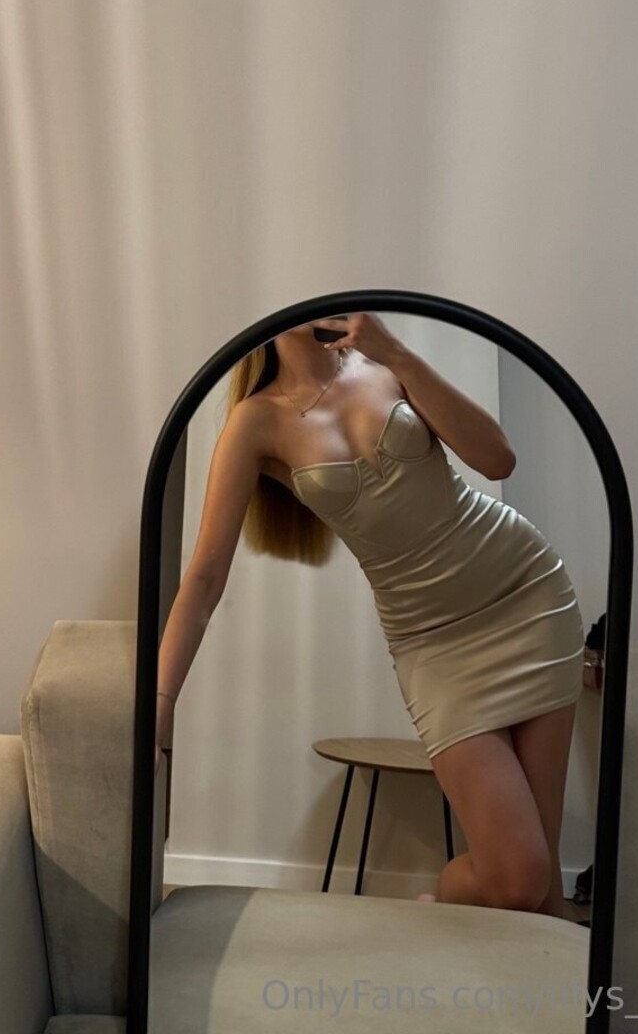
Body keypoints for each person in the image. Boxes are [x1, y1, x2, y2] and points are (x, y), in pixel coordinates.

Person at [155, 311, 586, 919]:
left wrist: (398, 353)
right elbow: (203, 579)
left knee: (543, 897)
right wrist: (161, 701)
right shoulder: (256, 422)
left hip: (525, 592)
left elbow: (498, 460)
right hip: (431, 642)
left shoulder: (385, 366)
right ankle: (441, 903)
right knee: (516, 879)